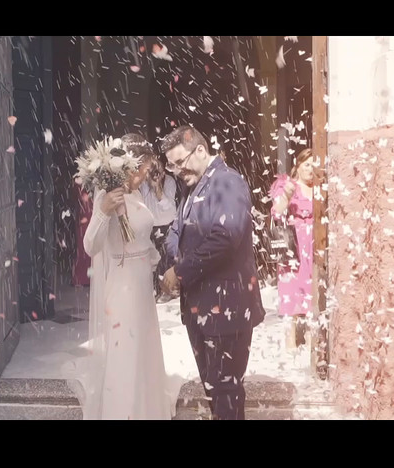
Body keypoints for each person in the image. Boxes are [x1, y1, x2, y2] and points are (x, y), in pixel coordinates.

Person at [65, 133, 178, 420]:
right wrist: (102, 212)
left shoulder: (137, 194)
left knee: (141, 349)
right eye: (145, 169)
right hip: (123, 286)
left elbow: (157, 223)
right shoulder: (108, 196)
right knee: (125, 351)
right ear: (130, 166)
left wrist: (158, 189)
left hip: (141, 283)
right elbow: (91, 246)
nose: (146, 175)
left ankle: (145, 409)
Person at [160, 126, 266, 420]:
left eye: (180, 162)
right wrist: (178, 257)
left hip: (227, 311)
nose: (177, 171)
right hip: (201, 311)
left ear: (201, 151)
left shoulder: (228, 182)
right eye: (172, 165)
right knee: (215, 393)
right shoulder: (193, 187)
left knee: (226, 393)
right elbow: (174, 232)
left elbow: (226, 238)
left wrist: (181, 271)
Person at [269, 148, 316, 352]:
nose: (311, 169)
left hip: (314, 245)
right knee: (292, 289)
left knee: (311, 289)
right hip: (294, 245)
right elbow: (277, 211)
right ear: (298, 166)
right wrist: (287, 195)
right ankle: (290, 340)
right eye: (307, 164)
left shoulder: (319, 187)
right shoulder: (289, 186)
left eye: (314, 165)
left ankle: (310, 336)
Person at [138, 157, 177, 302]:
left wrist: (157, 188)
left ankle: (166, 290)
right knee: (151, 260)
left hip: (166, 224)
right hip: (149, 225)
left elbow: (168, 207)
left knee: (165, 259)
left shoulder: (169, 182)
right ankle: (153, 289)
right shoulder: (142, 184)